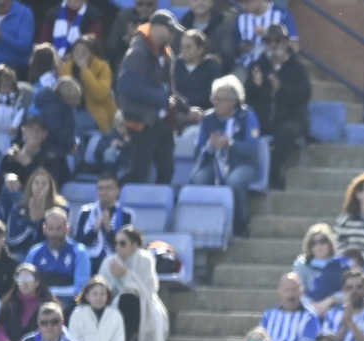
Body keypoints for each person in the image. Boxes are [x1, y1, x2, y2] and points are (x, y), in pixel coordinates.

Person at [187, 75, 261, 239]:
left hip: (243, 165)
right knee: (198, 179)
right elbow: (197, 151)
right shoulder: (208, 119)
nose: (216, 103)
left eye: (222, 99)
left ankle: (241, 224)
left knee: (233, 182)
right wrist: (211, 146)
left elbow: (252, 149)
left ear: (234, 101)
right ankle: (205, 226)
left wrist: (231, 144)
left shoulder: (247, 116)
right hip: (214, 164)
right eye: (214, 98)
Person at [114, 9, 182, 186]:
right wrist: (161, 98)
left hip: (161, 122)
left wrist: (187, 109)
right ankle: (112, 198)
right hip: (142, 122)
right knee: (139, 172)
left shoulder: (165, 55)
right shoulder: (138, 52)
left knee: (167, 169)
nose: (173, 34)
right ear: (156, 27)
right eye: (170, 29)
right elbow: (128, 86)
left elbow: (168, 90)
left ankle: (159, 205)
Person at [243, 22, 307, 192]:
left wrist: (281, 89)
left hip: (288, 119)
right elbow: (246, 97)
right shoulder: (257, 66)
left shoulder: (296, 68)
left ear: (285, 42)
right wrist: (255, 86)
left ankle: (275, 173)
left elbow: (304, 95)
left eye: (277, 41)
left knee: (287, 133)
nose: (272, 45)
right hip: (262, 119)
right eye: (268, 41)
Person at [99, 224, 167, 341]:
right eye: (115, 243)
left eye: (123, 243)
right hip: (115, 302)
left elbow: (147, 289)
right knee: (122, 300)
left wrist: (124, 277)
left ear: (134, 245)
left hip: (144, 302)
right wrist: (117, 280)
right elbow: (101, 288)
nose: (118, 247)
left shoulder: (145, 259)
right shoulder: (109, 262)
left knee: (129, 298)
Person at [5, 165, 65, 256]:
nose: (40, 187)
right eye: (36, 183)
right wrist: (31, 223)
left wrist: (41, 219)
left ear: (50, 187)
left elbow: (61, 238)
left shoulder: (61, 209)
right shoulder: (18, 209)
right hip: (23, 254)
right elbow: (12, 241)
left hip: (51, 253)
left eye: (44, 183)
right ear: (30, 186)